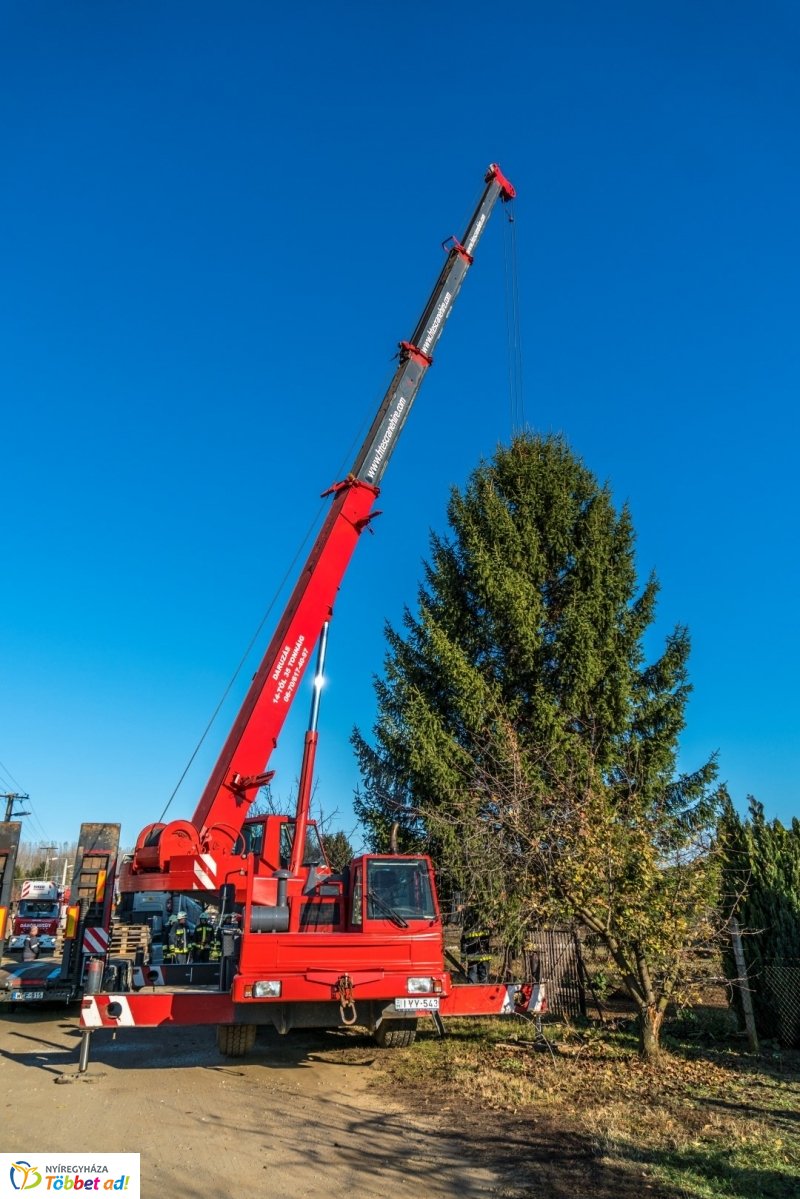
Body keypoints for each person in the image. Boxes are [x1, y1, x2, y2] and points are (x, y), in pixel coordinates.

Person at [461, 912, 492, 984]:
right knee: (483, 983)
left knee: (473, 983)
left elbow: (463, 943)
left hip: (475, 958)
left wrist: (463, 959)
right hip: (481, 958)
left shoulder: (468, 927)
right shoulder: (486, 926)